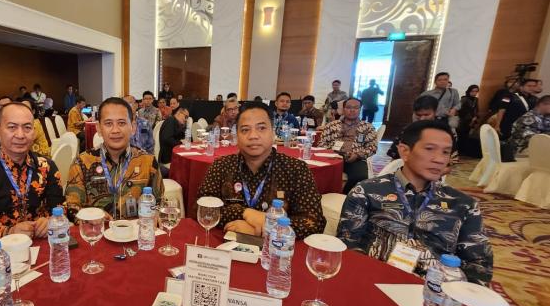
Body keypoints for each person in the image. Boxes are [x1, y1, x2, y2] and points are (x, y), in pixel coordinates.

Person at [337, 120, 493, 285]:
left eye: (446, 152)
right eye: (429, 149)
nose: (440, 159)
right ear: (404, 151)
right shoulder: (367, 191)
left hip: (436, 291)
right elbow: (348, 245)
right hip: (374, 281)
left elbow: (479, 266)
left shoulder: (463, 204)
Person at [197, 102, 325, 238]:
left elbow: (314, 222)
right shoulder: (222, 166)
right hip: (224, 245)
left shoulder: (296, 169)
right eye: (245, 130)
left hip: (278, 248)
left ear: (273, 132)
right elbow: (201, 209)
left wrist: (265, 229)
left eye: (261, 128)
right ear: (237, 135)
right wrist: (245, 213)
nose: (253, 135)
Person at [0, 102, 64, 246]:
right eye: (12, 127)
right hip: (1, 250)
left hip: (44, 243)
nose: (20, 135)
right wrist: (10, 232)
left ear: (34, 132)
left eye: (27, 127)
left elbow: (60, 207)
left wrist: (50, 221)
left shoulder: (47, 166)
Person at [65, 97, 164, 220]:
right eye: (108, 124)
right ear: (99, 128)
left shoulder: (148, 162)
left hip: (136, 229)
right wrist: (90, 217)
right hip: (97, 230)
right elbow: (72, 207)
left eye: (121, 123)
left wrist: (156, 214)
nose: (115, 130)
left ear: (133, 127)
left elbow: (160, 203)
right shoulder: (81, 163)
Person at [318, 97, 377, 193]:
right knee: (319, 173)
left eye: (356, 108)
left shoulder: (367, 127)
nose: (352, 110)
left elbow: (372, 147)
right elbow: (321, 144)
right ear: (343, 109)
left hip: (355, 159)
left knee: (360, 176)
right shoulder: (332, 125)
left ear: (360, 110)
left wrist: (357, 155)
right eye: (349, 107)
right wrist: (333, 151)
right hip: (332, 157)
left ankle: (345, 196)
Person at [387, 96, 458, 168]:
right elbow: (394, 158)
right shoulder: (408, 131)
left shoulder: (444, 132)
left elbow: (452, 161)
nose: (422, 118)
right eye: (418, 115)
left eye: (426, 115)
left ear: (435, 112)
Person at [504, 94, 550, 160]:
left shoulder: (545, 117)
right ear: (542, 104)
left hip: (538, 150)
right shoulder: (529, 118)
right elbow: (531, 138)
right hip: (522, 151)